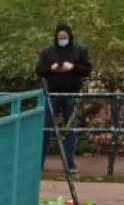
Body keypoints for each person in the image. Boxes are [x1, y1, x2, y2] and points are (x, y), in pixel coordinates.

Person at [37, 21, 93, 173]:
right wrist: (51, 68)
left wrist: (73, 67)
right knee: (46, 127)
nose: (62, 39)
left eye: (65, 37)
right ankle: (39, 162)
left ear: (70, 36)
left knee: (70, 129)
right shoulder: (47, 52)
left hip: (71, 93)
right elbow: (40, 70)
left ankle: (69, 163)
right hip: (52, 94)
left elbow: (87, 69)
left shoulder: (80, 51)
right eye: (60, 37)